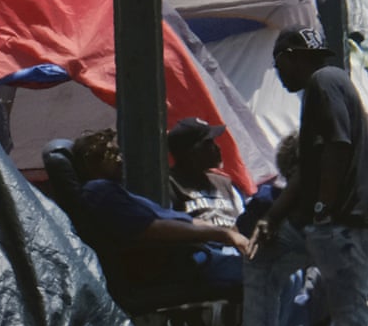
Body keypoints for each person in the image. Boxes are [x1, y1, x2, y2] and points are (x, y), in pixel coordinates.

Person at [239, 29, 368, 326]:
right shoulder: (324, 85)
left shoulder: (324, 82)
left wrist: (323, 206)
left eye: (278, 63)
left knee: (351, 314)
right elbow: (308, 166)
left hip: (342, 221)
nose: (278, 73)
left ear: (292, 56)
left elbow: (338, 147)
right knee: (262, 261)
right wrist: (274, 216)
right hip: (322, 221)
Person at [66, 129, 250, 302]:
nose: (121, 160)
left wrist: (223, 231)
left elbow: (173, 219)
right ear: (91, 162)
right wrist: (222, 235)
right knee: (263, 275)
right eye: (112, 155)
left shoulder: (116, 192)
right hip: (175, 265)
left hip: (193, 255)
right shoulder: (99, 191)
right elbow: (153, 229)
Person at [166, 118, 244, 228]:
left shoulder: (223, 184)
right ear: (191, 152)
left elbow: (241, 224)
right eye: (209, 143)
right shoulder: (170, 185)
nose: (217, 148)